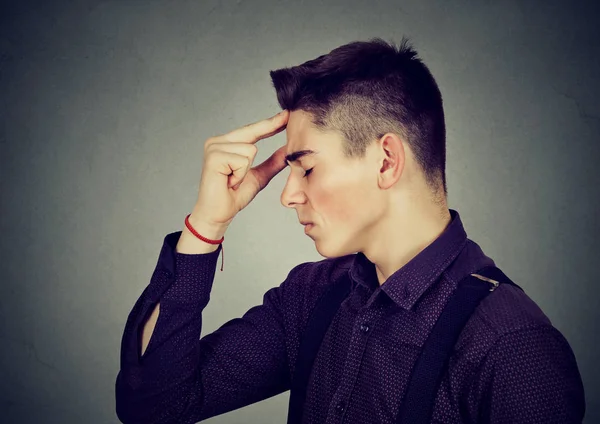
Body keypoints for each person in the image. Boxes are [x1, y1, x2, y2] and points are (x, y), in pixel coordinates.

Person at [115, 37, 585, 423]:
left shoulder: (513, 348)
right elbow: (154, 406)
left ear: (386, 160)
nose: (287, 195)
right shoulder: (313, 295)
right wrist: (206, 226)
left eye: (306, 169)